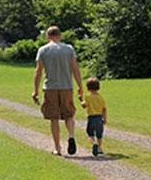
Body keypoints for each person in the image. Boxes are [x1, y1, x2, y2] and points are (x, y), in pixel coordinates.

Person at [32, 26, 84, 155]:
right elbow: (75, 69)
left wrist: (35, 91)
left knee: (53, 118)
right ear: (60, 35)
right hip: (67, 86)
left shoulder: (43, 50)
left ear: (48, 36)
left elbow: (38, 71)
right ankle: (71, 135)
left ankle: (58, 148)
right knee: (69, 114)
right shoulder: (69, 49)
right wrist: (80, 87)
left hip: (50, 87)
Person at [81, 77, 108, 156]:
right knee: (99, 134)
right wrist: (105, 118)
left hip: (91, 118)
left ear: (88, 88)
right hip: (99, 118)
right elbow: (104, 109)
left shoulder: (88, 97)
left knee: (90, 133)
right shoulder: (101, 98)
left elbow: (84, 106)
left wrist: (81, 100)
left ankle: (93, 143)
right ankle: (99, 148)